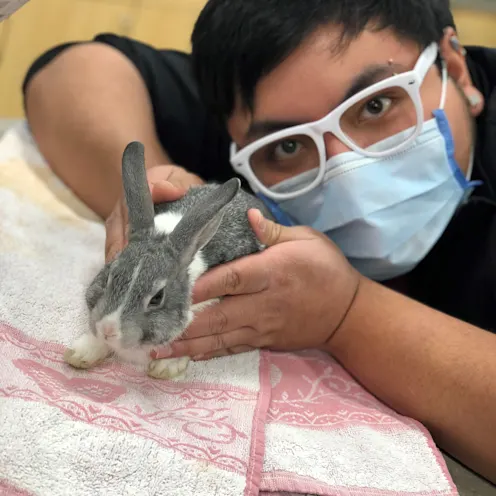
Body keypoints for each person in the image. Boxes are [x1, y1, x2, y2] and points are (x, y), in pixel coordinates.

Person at [21, 0, 496, 482]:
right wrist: (152, 197)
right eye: (289, 146)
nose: (347, 170)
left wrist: (347, 316)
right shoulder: (257, 115)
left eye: (375, 105)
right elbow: (69, 74)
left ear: (454, 64)